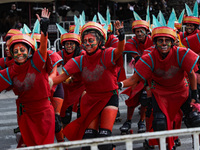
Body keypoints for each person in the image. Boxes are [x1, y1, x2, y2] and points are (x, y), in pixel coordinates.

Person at [119, 14, 200, 150]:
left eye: (166, 41)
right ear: (154, 42)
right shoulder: (149, 56)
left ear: (172, 41)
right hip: (160, 93)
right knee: (159, 122)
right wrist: (119, 85)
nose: (163, 44)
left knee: (195, 120)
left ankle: (196, 146)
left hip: (181, 92)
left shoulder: (181, 52)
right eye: (160, 41)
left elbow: (191, 74)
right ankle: (163, 143)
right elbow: (135, 79)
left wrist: (195, 97)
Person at [51, 20, 124, 150]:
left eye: (91, 40)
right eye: (85, 41)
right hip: (90, 100)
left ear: (100, 41)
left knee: (104, 139)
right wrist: (45, 82)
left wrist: (122, 37)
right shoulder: (80, 60)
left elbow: (119, 51)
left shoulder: (106, 54)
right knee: (88, 140)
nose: (87, 44)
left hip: (109, 98)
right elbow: (60, 78)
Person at [0, 8, 55, 147]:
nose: (19, 53)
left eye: (23, 50)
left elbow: (43, 48)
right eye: (16, 51)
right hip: (26, 115)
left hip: (44, 114)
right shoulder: (10, 71)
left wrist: (44, 30)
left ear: (29, 51)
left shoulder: (36, 63)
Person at [120, 9, 153, 134]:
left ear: (146, 32)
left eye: (141, 31)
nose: (139, 34)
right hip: (139, 73)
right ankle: (128, 121)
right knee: (133, 97)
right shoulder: (131, 42)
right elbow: (139, 60)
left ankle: (142, 121)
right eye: (137, 31)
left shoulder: (152, 41)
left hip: (151, 75)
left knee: (145, 98)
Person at [31, 19, 65, 143]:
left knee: (55, 121)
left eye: (41, 43)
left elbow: (53, 74)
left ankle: (62, 145)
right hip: (37, 93)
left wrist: (45, 82)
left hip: (54, 89)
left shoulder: (51, 54)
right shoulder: (28, 57)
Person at [56, 23, 86, 128]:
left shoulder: (82, 53)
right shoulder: (62, 53)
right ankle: (64, 132)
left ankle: (81, 130)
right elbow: (53, 63)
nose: (69, 46)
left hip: (81, 84)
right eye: (67, 44)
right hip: (67, 85)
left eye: (71, 44)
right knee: (65, 112)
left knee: (82, 110)